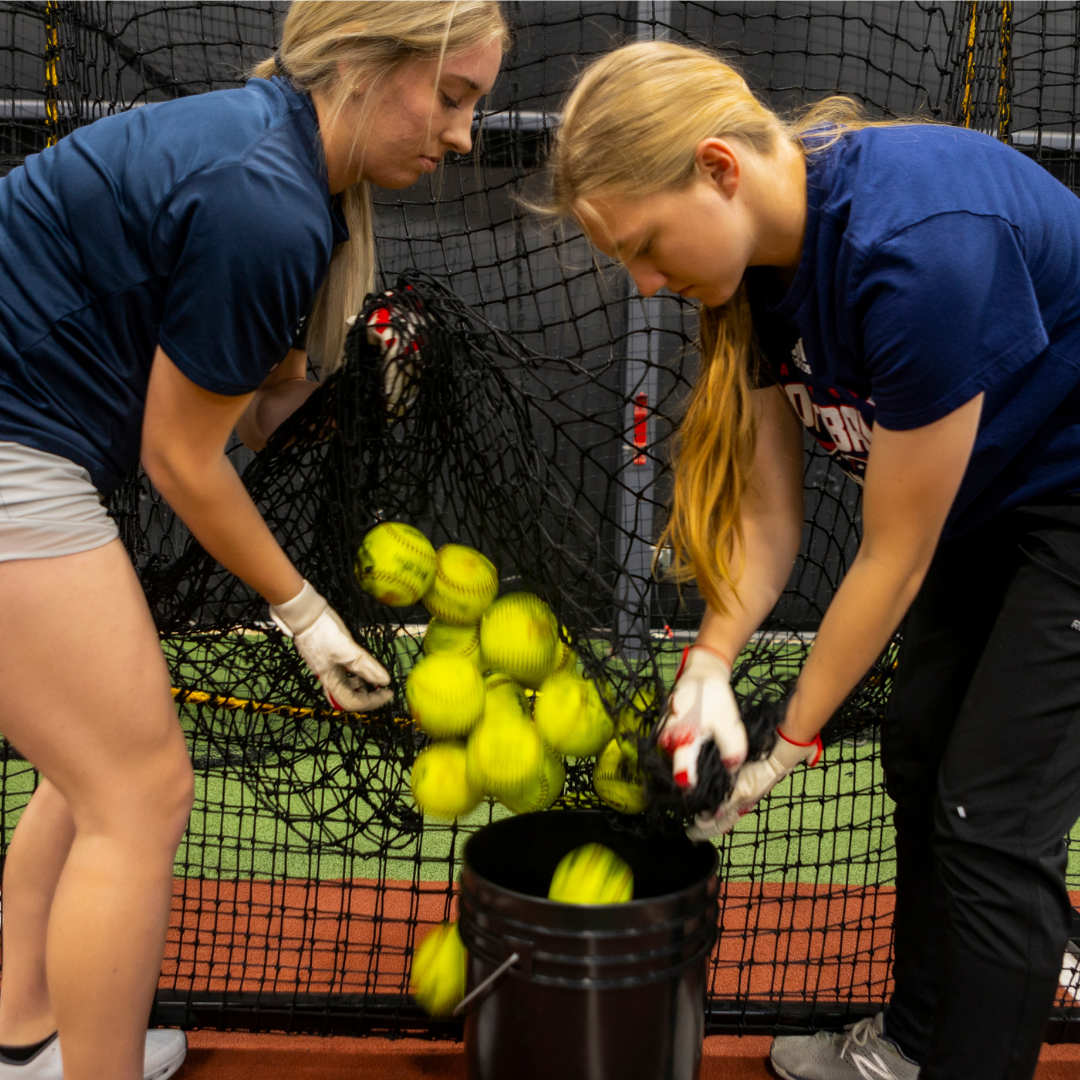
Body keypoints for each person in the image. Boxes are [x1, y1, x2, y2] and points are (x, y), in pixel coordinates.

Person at [539, 38, 1080, 1080]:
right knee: (922, 754)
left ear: (718, 169)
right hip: (1000, 496)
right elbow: (770, 519)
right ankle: (916, 1044)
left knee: (989, 809)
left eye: (647, 244)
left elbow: (894, 555)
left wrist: (783, 745)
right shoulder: (756, 278)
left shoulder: (914, 249)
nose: (646, 282)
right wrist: (709, 666)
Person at [0, 3, 506, 1078]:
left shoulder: (276, 156)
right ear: (369, 63)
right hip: (15, 447)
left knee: (84, 763)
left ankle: (25, 1032)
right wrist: (308, 618)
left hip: (39, 446)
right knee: (140, 791)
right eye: (453, 95)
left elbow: (232, 410)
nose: (463, 135)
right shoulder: (267, 198)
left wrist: (330, 383)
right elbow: (183, 459)